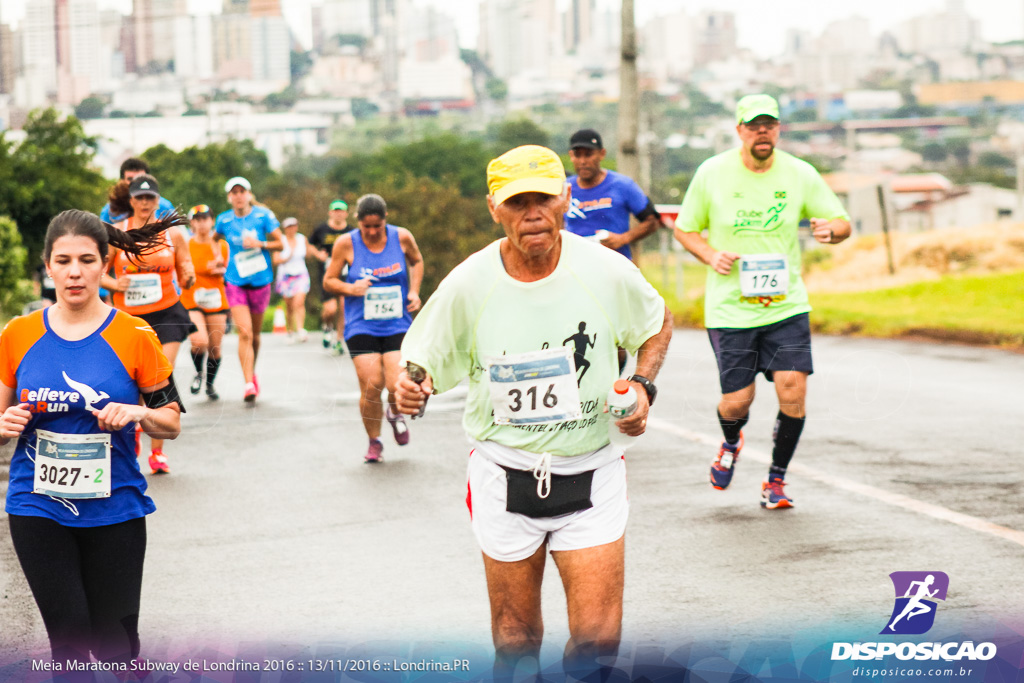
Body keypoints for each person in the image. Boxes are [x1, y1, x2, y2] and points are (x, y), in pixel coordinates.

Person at [394, 145, 673, 678]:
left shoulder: (603, 269)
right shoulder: (469, 283)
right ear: (494, 209)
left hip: (591, 473)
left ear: (565, 197)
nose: (533, 214)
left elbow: (657, 321)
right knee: (517, 642)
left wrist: (641, 384)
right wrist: (412, 388)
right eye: (517, 203)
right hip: (506, 475)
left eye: (542, 198)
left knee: (597, 642)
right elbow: (419, 363)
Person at [0, 209, 183, 667]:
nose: (75, 272)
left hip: (115, 508)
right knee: (69, 642)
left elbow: (172, 422)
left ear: (106, 265)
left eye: (86, 259)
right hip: (36, 506)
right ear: (48, 266)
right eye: (63, 260)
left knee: (116, 647)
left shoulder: (136, 335)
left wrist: (139, 412)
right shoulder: (17, 335)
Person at [673, 93, 851, 509]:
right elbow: (685, 229)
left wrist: (833, 231)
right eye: (754, 125)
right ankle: (731, 442)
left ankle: (776, 480)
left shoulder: (800, 173)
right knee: (738, 401)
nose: (762, 131)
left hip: (785, 305)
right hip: (731, 308)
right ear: (740, 131)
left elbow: (841, 221)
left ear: (778, 129)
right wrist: (709, 254)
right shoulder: (712, 173)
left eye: (769, 124)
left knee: (793, 392)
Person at [102, 175, 195, 475]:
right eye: (139, 198)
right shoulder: (118, 234)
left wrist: (190, 276)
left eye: (150, 198)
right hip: (130, 318)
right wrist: (117, 282)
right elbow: (98, 274)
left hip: (168, 313)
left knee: (157, 375)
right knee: (135, 381)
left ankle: (158, 452)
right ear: (130, 201)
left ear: (158, 201)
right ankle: (136, 433)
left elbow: (186, 268)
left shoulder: (174, 235)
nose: (145, 203)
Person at [323, 194, 423, 463]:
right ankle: (374, 441)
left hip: (397, 322)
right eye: (366, 226)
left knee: (395, 384)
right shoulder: (346, 243)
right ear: (357, 222)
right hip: (360, 324)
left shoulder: (401, 237)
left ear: (385, 220)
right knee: (371, 386)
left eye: (377, 226)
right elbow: (329, 280)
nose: (371, 231)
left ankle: (394, 412)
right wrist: (350, 288)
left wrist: (414, 291)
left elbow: (417, 261)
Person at [214, 176, 283, 403]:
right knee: (244, 332)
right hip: (235, 281)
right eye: (234, 192)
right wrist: (218, 258)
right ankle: (248, 383)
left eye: (242, 191)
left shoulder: (264, 216)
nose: (238, 196)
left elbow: (281, 243)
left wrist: (261, 244)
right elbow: (214, 240)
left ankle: (251, 371)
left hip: (261, 281)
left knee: (254, 335)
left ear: (249, 194)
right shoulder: (224, 220)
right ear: (229, 197)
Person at [564, 129, 661, 262]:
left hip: (616, 266)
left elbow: (652, 222)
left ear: (602, 154)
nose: (582, 161)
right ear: (571, 156)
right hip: (575, 266)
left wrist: (622, 239)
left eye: (588, 155)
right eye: (577, 155)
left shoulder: (623, 185)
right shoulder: (564, 188)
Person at [181, 205, 229, 401]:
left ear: (212, 221)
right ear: (192, 223)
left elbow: (228, 270)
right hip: (192, 298)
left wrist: (220, 268)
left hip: (216, 300)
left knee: (215, 348)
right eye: (197, 219)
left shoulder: (221, 245)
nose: (202, 223)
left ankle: (209, 384)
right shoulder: (186, 245)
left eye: (205, 219)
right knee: (200, 341)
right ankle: (198, 373)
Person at [309, 199, 353, 352]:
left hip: (346, 274)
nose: (338, 213)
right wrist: (317, 254)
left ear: (346, 213)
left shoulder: (351, 231)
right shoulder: (322, 229)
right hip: (327, 273)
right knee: (330, 309)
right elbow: (310, 244)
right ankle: (327, 328)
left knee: (343, 306)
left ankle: (339, 339)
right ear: (330, 212)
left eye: (341, 210)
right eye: (335, 210)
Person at [99, 157, 175, 224]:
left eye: (139, 178)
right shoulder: (110, 210)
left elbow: (179, 232)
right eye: (130, 179)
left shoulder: (164, 206)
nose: (135, 183)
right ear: (121, 181)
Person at [273, 217, 311, 343]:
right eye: (289, 226)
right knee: (289, 306)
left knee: (299, 302)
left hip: (300, 274)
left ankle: (300, 329)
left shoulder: (302, 239)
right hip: (285, 276)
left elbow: (308, 254)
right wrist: (287, 257)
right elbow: (276, 260)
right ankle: (290, 330)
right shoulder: (280, 240)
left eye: (294, 226)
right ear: (285, 228)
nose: (292, 229)